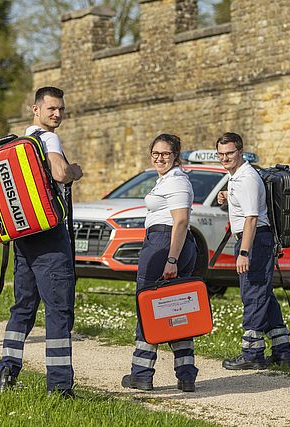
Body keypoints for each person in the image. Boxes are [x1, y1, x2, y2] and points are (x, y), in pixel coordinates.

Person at [0, 86, 83, 397]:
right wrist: (75, 171)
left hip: (24, 237)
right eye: (51, 109)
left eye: (60, 109)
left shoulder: (21, 141)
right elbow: (61, 174)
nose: (57, 114)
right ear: (36, 109)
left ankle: (7, 373)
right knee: (58, 309)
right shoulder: (48, 139)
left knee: (22, 308)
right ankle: (59, 387)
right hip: (48, 236)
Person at [121, 134, 199, 393]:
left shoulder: (177, 182)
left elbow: (180, 221)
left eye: (165, 154)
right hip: (169, 243)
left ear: (176, 155)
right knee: (178, 310)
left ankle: (141, 374)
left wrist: (172, 259)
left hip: (165, 244)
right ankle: (186, 375)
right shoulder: (168, 180)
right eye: (155, 153)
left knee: (148, 308)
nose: (159, 158)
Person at [216, 132, 290, 369]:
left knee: (253, 295)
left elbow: (251, 217)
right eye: (221, 154)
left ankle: (252, 354)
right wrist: (227, 196)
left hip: (255, 240)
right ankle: (282, 351)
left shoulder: (247, 177)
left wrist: (244, 253)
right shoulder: (237, 177)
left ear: (240, 151)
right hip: (255, 239)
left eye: (229, 153)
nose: (225, 158)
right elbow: (247, 201)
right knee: (263, 295)